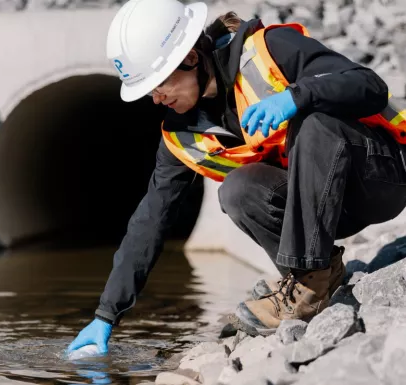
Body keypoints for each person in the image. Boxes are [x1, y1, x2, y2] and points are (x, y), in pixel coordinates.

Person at [67, 0, 406, 353]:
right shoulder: (183, 135)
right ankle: (313, 279)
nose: (156, 99)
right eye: (149, 91)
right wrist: (106, 315)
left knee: (314, 121)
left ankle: (305, 283)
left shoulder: (270, 51)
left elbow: (368, 85)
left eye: (158, 84)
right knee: (237, 189)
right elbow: (150, 219)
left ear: (191, 58)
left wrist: (298, 96)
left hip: (379, 177)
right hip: (325, 208)